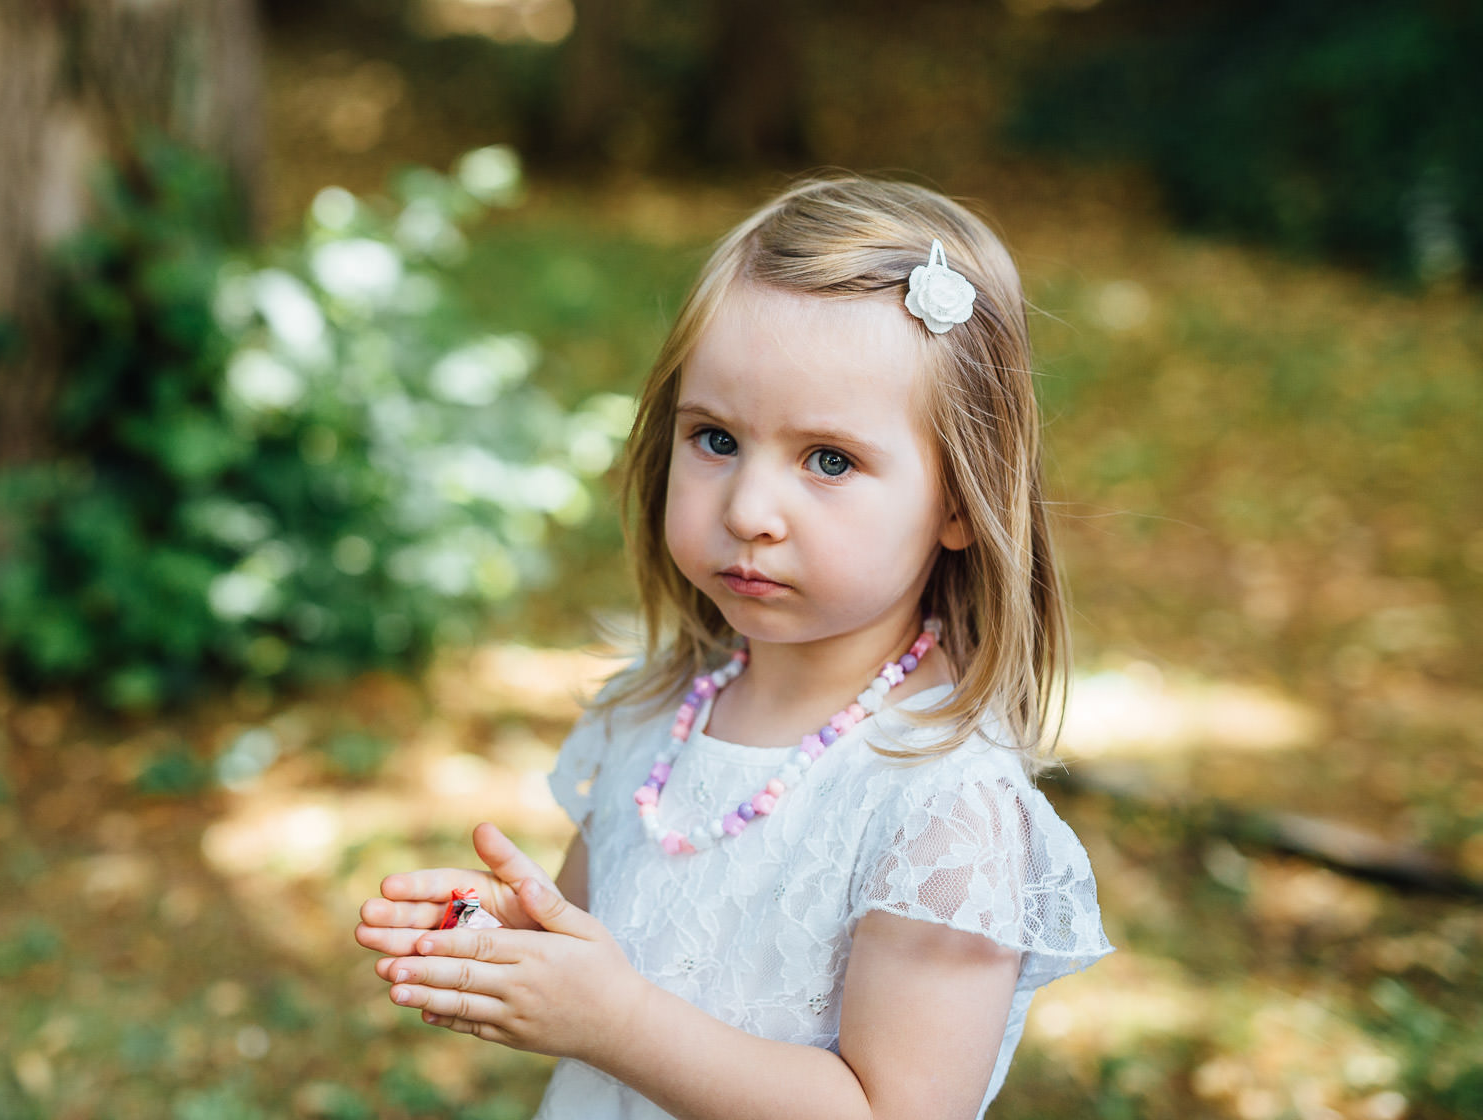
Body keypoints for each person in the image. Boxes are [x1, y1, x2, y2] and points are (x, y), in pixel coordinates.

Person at [355, 176, 1112, 1120]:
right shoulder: (654, 712)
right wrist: (517, 943)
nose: (749, 511)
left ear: (960, 500)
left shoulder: (943, 806)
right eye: (715, 438)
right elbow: (608, 945)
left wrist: (619, 1022)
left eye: (828, 460)